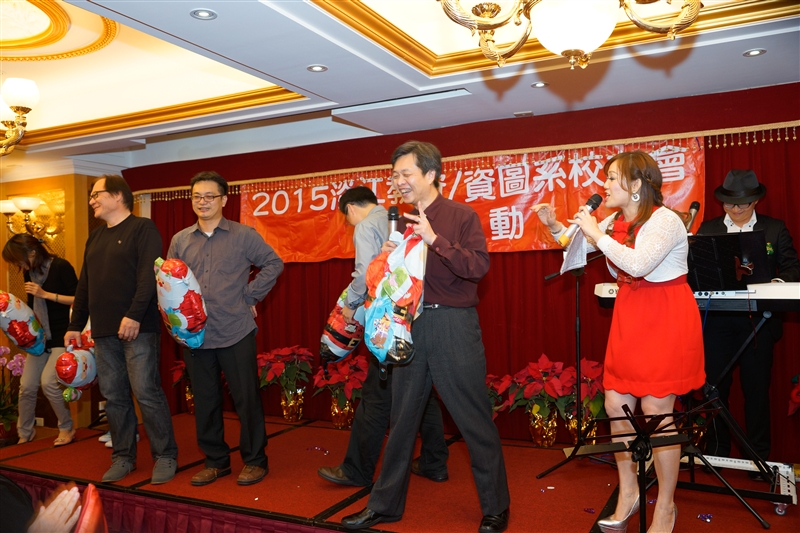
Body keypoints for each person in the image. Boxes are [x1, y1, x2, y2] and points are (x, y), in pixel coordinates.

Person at [341, 142, 510, 533]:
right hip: (408, 325)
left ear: (431, 174)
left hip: (452, 325)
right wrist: (386, 259)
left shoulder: (461, 216)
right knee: (401, 421)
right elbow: (391, 282)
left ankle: (495, 507)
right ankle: (384, 505)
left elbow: (478, 267)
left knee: (473, 419)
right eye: (395, 175)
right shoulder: (398, 222)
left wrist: (434, 239)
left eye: (406, 174)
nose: (399, 181)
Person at [533, 151, 705, 533]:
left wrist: (596, 232)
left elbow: (639, 264)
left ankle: (666, 506)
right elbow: (578, 250)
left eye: (613, 178)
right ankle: (629, 492)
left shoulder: (666, 220)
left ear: (638, 185)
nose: (605, 185)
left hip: (665, 315)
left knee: (657, 409)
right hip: (631, 314)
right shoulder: (614, 221)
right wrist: (556, 226)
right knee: (616, 404)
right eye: (607, 177)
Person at [317, 186, 449, 487]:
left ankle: (356, 470)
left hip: (386, 326)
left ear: (350, 208)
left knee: (376, 397)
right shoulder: (403, 219)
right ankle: (434, 461)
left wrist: (350, 305)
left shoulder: (365, 226)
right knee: (421, 391)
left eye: (347, 218)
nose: (349, 223)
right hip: (414, 319)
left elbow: (365, 273)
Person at [167, 171, 283, 487]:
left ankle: (255, 461)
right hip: (195, 335)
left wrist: (250, 295)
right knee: (205, 401)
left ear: (223, 200)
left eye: (209, 196)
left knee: (246, 399)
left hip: (235, 329)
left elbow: (274, 263)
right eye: (197, 197)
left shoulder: (243, 235)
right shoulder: (180, 240)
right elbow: (169, 281)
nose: (202, 202)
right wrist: (176, 319)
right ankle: (216, 461)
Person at [66, 175, 178, 485]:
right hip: (103, 330)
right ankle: (123, 457)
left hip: (138, 327)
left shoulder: (143, 229)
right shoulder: (95, 237)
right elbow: (85, 284)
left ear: (118, 196)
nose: (92, 201)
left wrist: (133, 315)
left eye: (96, 194)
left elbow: (148, 277)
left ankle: (165, 455)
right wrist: (75, 325)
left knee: (146, 392)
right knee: (114, 396)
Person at [697, 170, 799, 466]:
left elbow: (793, 268)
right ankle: (716, 452)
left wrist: (774, 285)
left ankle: (758, 458)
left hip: (759, 321)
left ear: (755, 201)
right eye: (729, 204)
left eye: (742, 203)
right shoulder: (708, 228)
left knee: (756, 389)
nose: (736, 209)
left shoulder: (774, 228)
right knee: (714, 389)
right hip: (717, 321)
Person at [3, 234, 77, 447]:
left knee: (49, 383)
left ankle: (66, 427)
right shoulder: (30, 272)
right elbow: (31, 307)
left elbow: (80, 299)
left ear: (32, 253)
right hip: (40, 338)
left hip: (63, 335)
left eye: (18, 261)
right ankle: (25, 432)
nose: (18, 266)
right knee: (26, 386)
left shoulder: (61, 266)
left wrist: (46, 294)